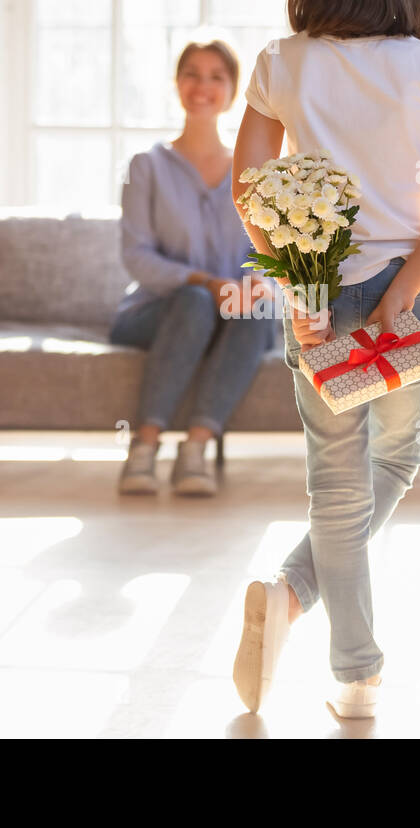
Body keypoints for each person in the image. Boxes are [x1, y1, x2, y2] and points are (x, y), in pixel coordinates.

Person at [228, 0, 420, 718]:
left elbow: (249, 192)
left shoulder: (279, 63)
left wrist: (301, 281)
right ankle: (323, 627)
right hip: (407, 298)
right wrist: (404, 295)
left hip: (316, 295)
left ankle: (347, 665)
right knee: (396, 459)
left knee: (335, 485)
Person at [109, 39, 279, 497]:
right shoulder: (146, 166)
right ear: (177, 83)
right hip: (157, 311)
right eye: (192, 74)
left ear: (232, 90)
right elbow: (137, 256)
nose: (202, 86)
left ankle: (196, 449)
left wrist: (255, 286)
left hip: (231, 314)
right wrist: (206, 282)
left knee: (255, 312)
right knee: (194, 300)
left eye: (216, 77)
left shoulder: (251, 171)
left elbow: (266, 254)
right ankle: (144, 446)